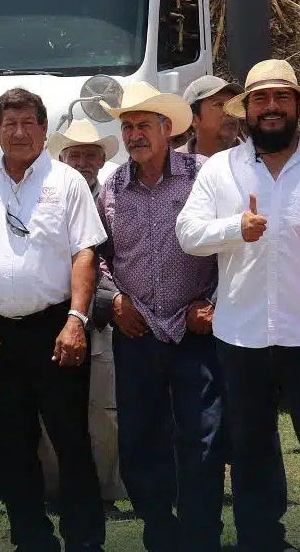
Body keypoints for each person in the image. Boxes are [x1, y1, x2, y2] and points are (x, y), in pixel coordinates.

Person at [176, 58, 300, 552]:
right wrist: (235, 228)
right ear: (247, 111)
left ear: (298, 105)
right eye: (261, 99)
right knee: (252, 451)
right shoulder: (221, 169)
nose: (272, 107)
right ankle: (261, 542)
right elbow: (188, 233)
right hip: (243, 336)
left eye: (282, 97)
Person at [0, 87, 107, 552]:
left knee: (70, 441)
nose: (19, 132)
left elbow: (86, 253)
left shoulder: (67, 182)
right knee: (12, 444)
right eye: (9, 124)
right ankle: (31, 540)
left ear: (44, 130)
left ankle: (85, 542)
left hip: (55, 331)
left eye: (28, 123)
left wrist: (76, 320)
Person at [95, 82, 222, 552]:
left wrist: (212, 304)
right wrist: (113, 302)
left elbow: (231, 250)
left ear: (167, 129)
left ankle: (200, 535)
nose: (134, 135)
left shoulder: (205, 175)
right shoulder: (112, 186)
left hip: (195, 331)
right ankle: (159, 529)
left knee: (202, 439)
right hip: (137, 330)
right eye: (127, 127)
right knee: (138, 442)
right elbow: (97, 254)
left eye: (143, 125)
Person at [45, 118, 125, 510]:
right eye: (74, 154)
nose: (82, 161)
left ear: (100, 159)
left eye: (90, 154)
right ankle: (56, 491)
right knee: (53, 412)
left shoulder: (112, 198)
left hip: (104, 317)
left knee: (103, 410)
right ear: (62, 157)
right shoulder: (49, 197)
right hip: (55, 314)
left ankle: (106, 493)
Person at [178, 75, 244, 157]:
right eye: (219, 104)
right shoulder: (173, 165)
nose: (229, 111)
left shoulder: (257, 159)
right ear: (194, 120)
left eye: (232, 105)